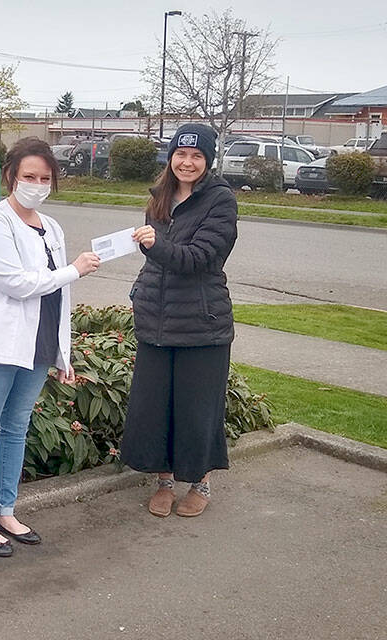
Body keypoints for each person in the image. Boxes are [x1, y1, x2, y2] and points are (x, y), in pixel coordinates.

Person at [0, 137, 100, 557]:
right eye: (28, 176)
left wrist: (62, 353)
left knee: (17, 427)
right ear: (11, 177)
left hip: (38, 342)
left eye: (44, 178)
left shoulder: (51, 227)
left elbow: (59, 297)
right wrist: (74, 270)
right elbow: (15, 283)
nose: (36, 184)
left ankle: (7, 509)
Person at [122, 122, 238, 518]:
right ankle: (164, 481)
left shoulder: (220, 201)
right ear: (170, 157)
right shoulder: (160, 197)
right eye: (180, 154)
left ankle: (201, 483)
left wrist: (156, 246)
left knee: (197, 410)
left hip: (202, 324)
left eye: (196, 156)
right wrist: (139, 293)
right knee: (156, 409)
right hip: (156, 320)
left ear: (208, 161)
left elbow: (198, 259)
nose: (187, 163)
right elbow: (156, 262)